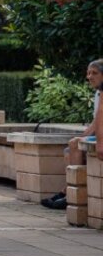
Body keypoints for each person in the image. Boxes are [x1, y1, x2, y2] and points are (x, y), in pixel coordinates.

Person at [41, 60, 103, 209]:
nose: (89, 77)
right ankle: (68, 191)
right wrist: (84, 137)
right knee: (70, 150)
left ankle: (71, 194)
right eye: (88, 73)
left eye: (94, 73)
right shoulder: (98, 93)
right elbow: (96, 122)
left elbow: (99, 123)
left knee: (74, 144)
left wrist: (98, 143)